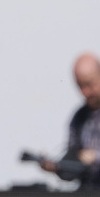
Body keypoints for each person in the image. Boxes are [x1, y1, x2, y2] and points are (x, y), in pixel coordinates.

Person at [36, 52, 100, 188]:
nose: (85, 92)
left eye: (89, 84)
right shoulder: (79, 118)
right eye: (80, 86)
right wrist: (57, 168)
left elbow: (91, 158)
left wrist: (95, 157)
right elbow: (74, 169)